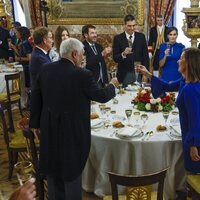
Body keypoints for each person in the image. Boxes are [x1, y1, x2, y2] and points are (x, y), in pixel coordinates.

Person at [29, 38, 119, 200]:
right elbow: (101, 96)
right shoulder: (82, 74)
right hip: (72, 132)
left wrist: (35, 124)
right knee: (71, 173)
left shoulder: (45, 69)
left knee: (53, 169)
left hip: (49, 127)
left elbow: (35, 96)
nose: (83, 58)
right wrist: (113, 85)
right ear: (74, 54)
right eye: (82, 55)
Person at [136, 47, 200, 175]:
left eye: (181, 58)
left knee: (194, 172)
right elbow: (168, 86)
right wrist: (148, 74)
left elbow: (195, 119)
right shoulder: (185, 80)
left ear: (188, 63)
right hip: (189, 133)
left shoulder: (190, 89)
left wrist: (193, 145)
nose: (177, 61)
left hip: (194, 137)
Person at [113, 14, 149, 87]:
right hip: (123, 75)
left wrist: (145, 74)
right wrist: (123, 54)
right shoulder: (118, 38)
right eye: (129, 26)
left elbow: (145, 57)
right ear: (124, 25)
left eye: (134, 25)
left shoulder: (141, 37)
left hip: (139, 73)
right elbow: (115, 58)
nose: (132, 28)